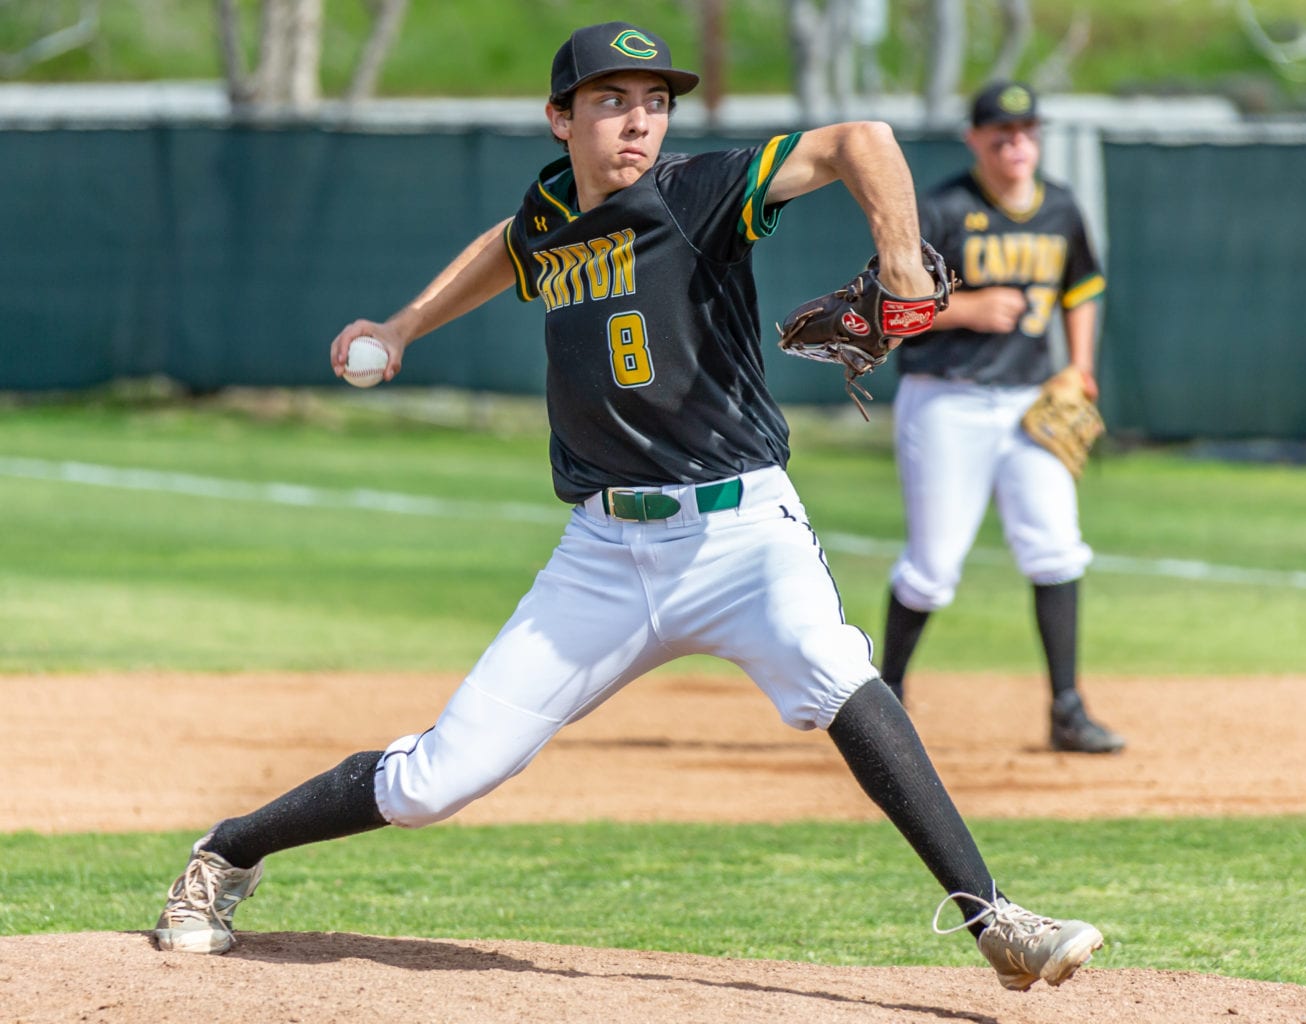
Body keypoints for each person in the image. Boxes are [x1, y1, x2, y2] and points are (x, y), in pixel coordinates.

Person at [152, 24, 1104, 992]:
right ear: (560, 118)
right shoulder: (554, 204)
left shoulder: (700, 193)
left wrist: (902, 263)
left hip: (741, 535)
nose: (638, 121)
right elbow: (511, 246)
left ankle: (996, 919)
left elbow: (864, 138)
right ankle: (226, 852)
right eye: (611, 101)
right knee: (435, 781)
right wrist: (403, 326)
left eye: (654, 102)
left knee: (835, 672)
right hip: (603, 552)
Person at [878, 81, 1126, 755]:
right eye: (1002, 133)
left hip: (1028, 402)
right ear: (975, 139)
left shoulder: (1063, 208)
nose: (1017, 143)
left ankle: (1067, 710)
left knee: (1055, 546)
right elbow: (888, 301)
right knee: (932, 568)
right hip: (945, 397)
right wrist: (965, 308)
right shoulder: (943, 208)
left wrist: (1078, 365)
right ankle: (885, 702)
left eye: (1027, 131)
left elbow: (1083, 286)